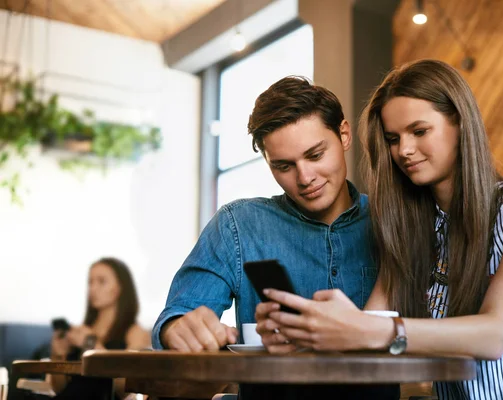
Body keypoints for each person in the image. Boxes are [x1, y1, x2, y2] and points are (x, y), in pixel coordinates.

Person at [256, 60, 503, 398]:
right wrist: (303, 335)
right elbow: (363, 338)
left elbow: (494, 336)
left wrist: (370, 329)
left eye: (419, 131)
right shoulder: (414, 232)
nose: (403, 150)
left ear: (461, 125)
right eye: (393, 138)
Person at [152, 76, 399, 399]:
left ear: (344, 134)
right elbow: (177, 315)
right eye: (284, 166)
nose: (305, 177)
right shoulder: (238, 225)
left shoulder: (392, 221)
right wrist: (177, 329)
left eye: (315, 155)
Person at [49, 257, 150, 399]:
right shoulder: (81, 331)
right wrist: (57, 355)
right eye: (90, 282)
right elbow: (59, 388)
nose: (93, 288)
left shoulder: (135, 332)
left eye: (102, 281)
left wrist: (93, 346)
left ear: (120, 287)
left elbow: (126, 387)